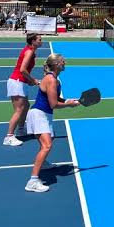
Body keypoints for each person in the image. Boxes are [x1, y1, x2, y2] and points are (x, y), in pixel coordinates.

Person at [24, 53, 80, 192]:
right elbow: (54, 104)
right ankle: (33, 181)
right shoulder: (51, 80)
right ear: (55, 64)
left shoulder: (55, 80)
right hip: (39, 114)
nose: (64, 63)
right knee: (47, 146)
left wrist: (68, 101)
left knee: (50, 139)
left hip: (44, 114)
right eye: (62, 61)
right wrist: (69, 106)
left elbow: (56, 99)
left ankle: (42, 164)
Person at [5, 33, 43, 146]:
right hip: (17, 82)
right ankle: (9, 137)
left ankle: (21, 130)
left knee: (25, 106)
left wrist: (29, 81)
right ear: (33, 41)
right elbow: (22, 70)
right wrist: (33, 80)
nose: (41, 41)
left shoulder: (30, 51)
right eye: (39, 40)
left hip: (21, 82)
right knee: (19, 110)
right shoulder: (29, 52)